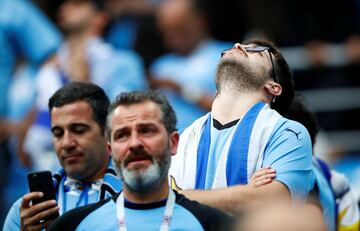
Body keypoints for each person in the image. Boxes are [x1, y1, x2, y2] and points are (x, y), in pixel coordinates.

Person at [48, 90, 233, 230]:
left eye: (146, 131)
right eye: (122, 135)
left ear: (173, 143)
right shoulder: (70, 226)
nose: (135, 143)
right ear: (110, 149)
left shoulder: (216, 225)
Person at [169, 39, 315, 214]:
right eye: (238, 46)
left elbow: (272, 202)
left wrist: (175, 197)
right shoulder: (179, 139)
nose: (237, 45)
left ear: (273, 87)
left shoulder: (288, 134)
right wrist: (245, 194)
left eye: (257, 51)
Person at [23, 0, 147, 172]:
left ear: (100, 18)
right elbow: (26, 143)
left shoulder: (124, 62)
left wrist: (82, 79)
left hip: (109, 176)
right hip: (49, 173)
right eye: (65, 4)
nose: (66, 7)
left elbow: (126, 120)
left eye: (78, 4)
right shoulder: (47, 71)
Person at [3, 82, 122, 231]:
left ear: (107, 132)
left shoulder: (136, 198)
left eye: (79, 130)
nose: (66, 143)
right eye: (58, 133)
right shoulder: (26, 212)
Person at [149, 0, 231, 130]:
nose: (173, 37)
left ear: (200, 21)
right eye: (166, 32)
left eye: (180, 29)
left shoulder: (228, 55)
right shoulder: (160, 66)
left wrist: (181, 89)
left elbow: (234, 110)